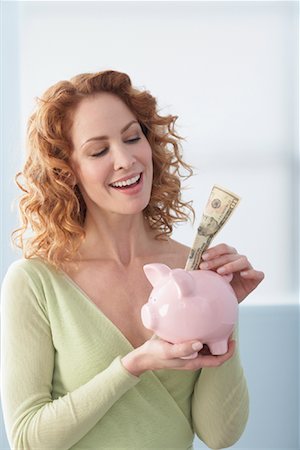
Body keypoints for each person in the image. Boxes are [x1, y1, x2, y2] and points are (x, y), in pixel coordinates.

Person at [0, 69, 264, 450]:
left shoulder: (191, 270)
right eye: (99, 150)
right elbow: (28, 439)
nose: (125, 159)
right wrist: (133, 365)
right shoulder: (36, 281)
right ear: (67, 171)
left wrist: (222, 310)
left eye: (131, 137)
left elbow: (220, 435)